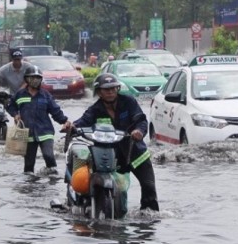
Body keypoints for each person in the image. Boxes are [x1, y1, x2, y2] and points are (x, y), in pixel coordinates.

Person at [67, 73, 159, 212]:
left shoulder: (129, 102)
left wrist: (139, 131)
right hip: (112, 156)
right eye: (106, 89)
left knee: (149, 187)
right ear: (99, 92)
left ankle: (148, 218)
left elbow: (141, 120)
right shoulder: (95, 109)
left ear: (117, 89)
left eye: (113, 88)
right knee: (109, 185)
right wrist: (71, 127)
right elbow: (82, 122)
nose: (110, 92)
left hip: (135, 152)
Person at [8, 65, 71, 174]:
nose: (35, 80)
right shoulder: (19, 94)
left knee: (48, 156)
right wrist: (15, 114)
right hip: (28, 134)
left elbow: (55, 111)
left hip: (45, 132)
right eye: (32, 78)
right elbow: (10, 105)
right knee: (28, 165)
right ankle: (31, 187)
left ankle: (51, 178)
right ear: (26, 79)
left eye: (38, 78)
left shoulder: (45, 95)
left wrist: (65, 121)